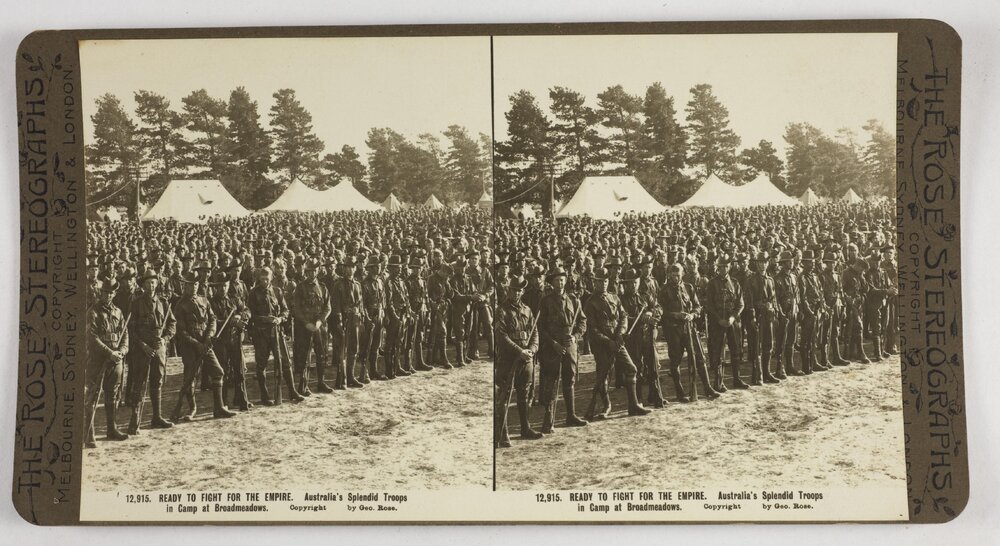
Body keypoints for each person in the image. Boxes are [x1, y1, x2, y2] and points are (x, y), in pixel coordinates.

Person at [583, 267, 651, 420]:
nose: (603, 285)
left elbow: (623, 317)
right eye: (600, 282)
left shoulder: (614, 298)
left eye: (606, 281)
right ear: (595, 282)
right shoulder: (590, 303)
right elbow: (592, 329)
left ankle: (633, 405)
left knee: (632, 368)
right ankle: (606, 406)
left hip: (617, 341)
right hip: (601, 345)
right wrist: (608, 342)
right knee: (604, 375)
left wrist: (620, 334)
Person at [171, 273, 235, 421]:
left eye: (195, 284)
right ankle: (192, 409)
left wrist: (208, 337)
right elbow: (181, 331)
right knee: (190, 378)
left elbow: (212, 319)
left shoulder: (204, 300)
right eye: (189, 284)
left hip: (206, 344)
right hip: (190, 347)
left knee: (218, 371)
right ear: (184, 285)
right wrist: (196, 344)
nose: (193, 287)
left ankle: (218, 408)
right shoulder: (180, 305)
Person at [536, 266, 590, 431]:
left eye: (562, 280)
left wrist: (575, 337)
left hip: (570, 345)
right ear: (551, 283)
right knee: (551, 381)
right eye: (556, 280)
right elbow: (541, 327)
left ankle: (571, 415)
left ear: (566, 281)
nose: (559, 283)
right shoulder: (545, 301)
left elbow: (582, 321)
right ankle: (548, 420)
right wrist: (553, 344)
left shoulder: (574, 300)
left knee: (569, 378)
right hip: (553, 346)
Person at [124, 268, 176, 434]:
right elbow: (130, 330)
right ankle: (135, 422)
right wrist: (143, 346)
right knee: (139, 383)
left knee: (157, 381)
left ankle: (157, 417)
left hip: (159, 348)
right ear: (143, 285)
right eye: (148, 282)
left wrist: (165, 339)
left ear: (157, 283)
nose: (151, 285)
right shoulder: (136, 303)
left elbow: (172, 324)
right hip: (142, 350)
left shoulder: (164, 302)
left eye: (153, 282)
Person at [660, 263, 719, 400]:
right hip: (673, 330)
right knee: (675, 360)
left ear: (683, 274)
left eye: (678, 275)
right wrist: (675, 315)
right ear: (669, 275)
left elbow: (698, 306)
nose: (675, 278)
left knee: (699, 357)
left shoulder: (689, 287)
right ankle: (680, 392)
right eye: (673, 275)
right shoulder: (664, 290)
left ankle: (707, 388)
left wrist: (692, 315)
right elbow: (662, 312)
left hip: (689, 327)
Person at [494, 277, 542, 448]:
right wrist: (519, 351)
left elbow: (535, 332)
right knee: (504, 395)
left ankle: (525, 428)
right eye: (513, 290)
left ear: (522, 292)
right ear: (509, 290)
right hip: (509, 359)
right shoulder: (501, 310)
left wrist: (532, 350)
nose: (516, 293)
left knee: (524, 393)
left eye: (519, 290)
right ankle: (503, 433)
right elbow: (501, 337)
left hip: (526, 359)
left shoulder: (528, 310)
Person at [84, 279, 130, 448]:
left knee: (112, 396)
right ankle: (89, 435)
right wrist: (109, 353)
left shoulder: (118, 312)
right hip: (98, 360)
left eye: (111, 292)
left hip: (115, 360)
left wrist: (122, 351)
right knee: (93, 397)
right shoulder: (93, 312)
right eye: (105, 292)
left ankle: (112, 429)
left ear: (114, 294)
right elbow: (92, 338)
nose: (108, 295)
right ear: (101, 292)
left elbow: (125, 334)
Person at [248, 267, 303, 405]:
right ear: (258, 279)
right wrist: (265, 319)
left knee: (285, 361)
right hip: (261, 334)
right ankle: (265, 396)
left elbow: (285, 310)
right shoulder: (253, 294)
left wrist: (280, 319)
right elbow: (251, 316)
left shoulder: (277, 291)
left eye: (267, 279)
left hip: (277, 332)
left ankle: (292, 391)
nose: (265, 282)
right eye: (262, 279)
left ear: (271, 278)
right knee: (261, 365)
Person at [705, 255, 748, 390]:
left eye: (726, 266)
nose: (724, 268)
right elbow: (709, 305)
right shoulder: (712, 283)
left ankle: (737, 379)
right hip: (717, 323)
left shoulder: (735, 282)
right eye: (721, 266)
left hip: (732, 322)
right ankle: (718, 383)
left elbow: (740, 304)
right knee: (718, 353)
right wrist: (719, 319)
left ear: (729, 267)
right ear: (718, 267)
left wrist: (732, 318)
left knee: (735, 351)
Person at [293, 259, 334, 393]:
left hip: (320, 327)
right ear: (306, 271)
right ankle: (303, 385)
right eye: (309, 271)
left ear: (318, 271)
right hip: (305, 327)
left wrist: (320, 321)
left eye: (314, 270)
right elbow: (296, 308)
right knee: (305, 356)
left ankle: (321, 383)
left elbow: (327, 307)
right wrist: (306, 323)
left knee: (321, 355)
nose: (312, 273)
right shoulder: (300, 287)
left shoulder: (322, 287)